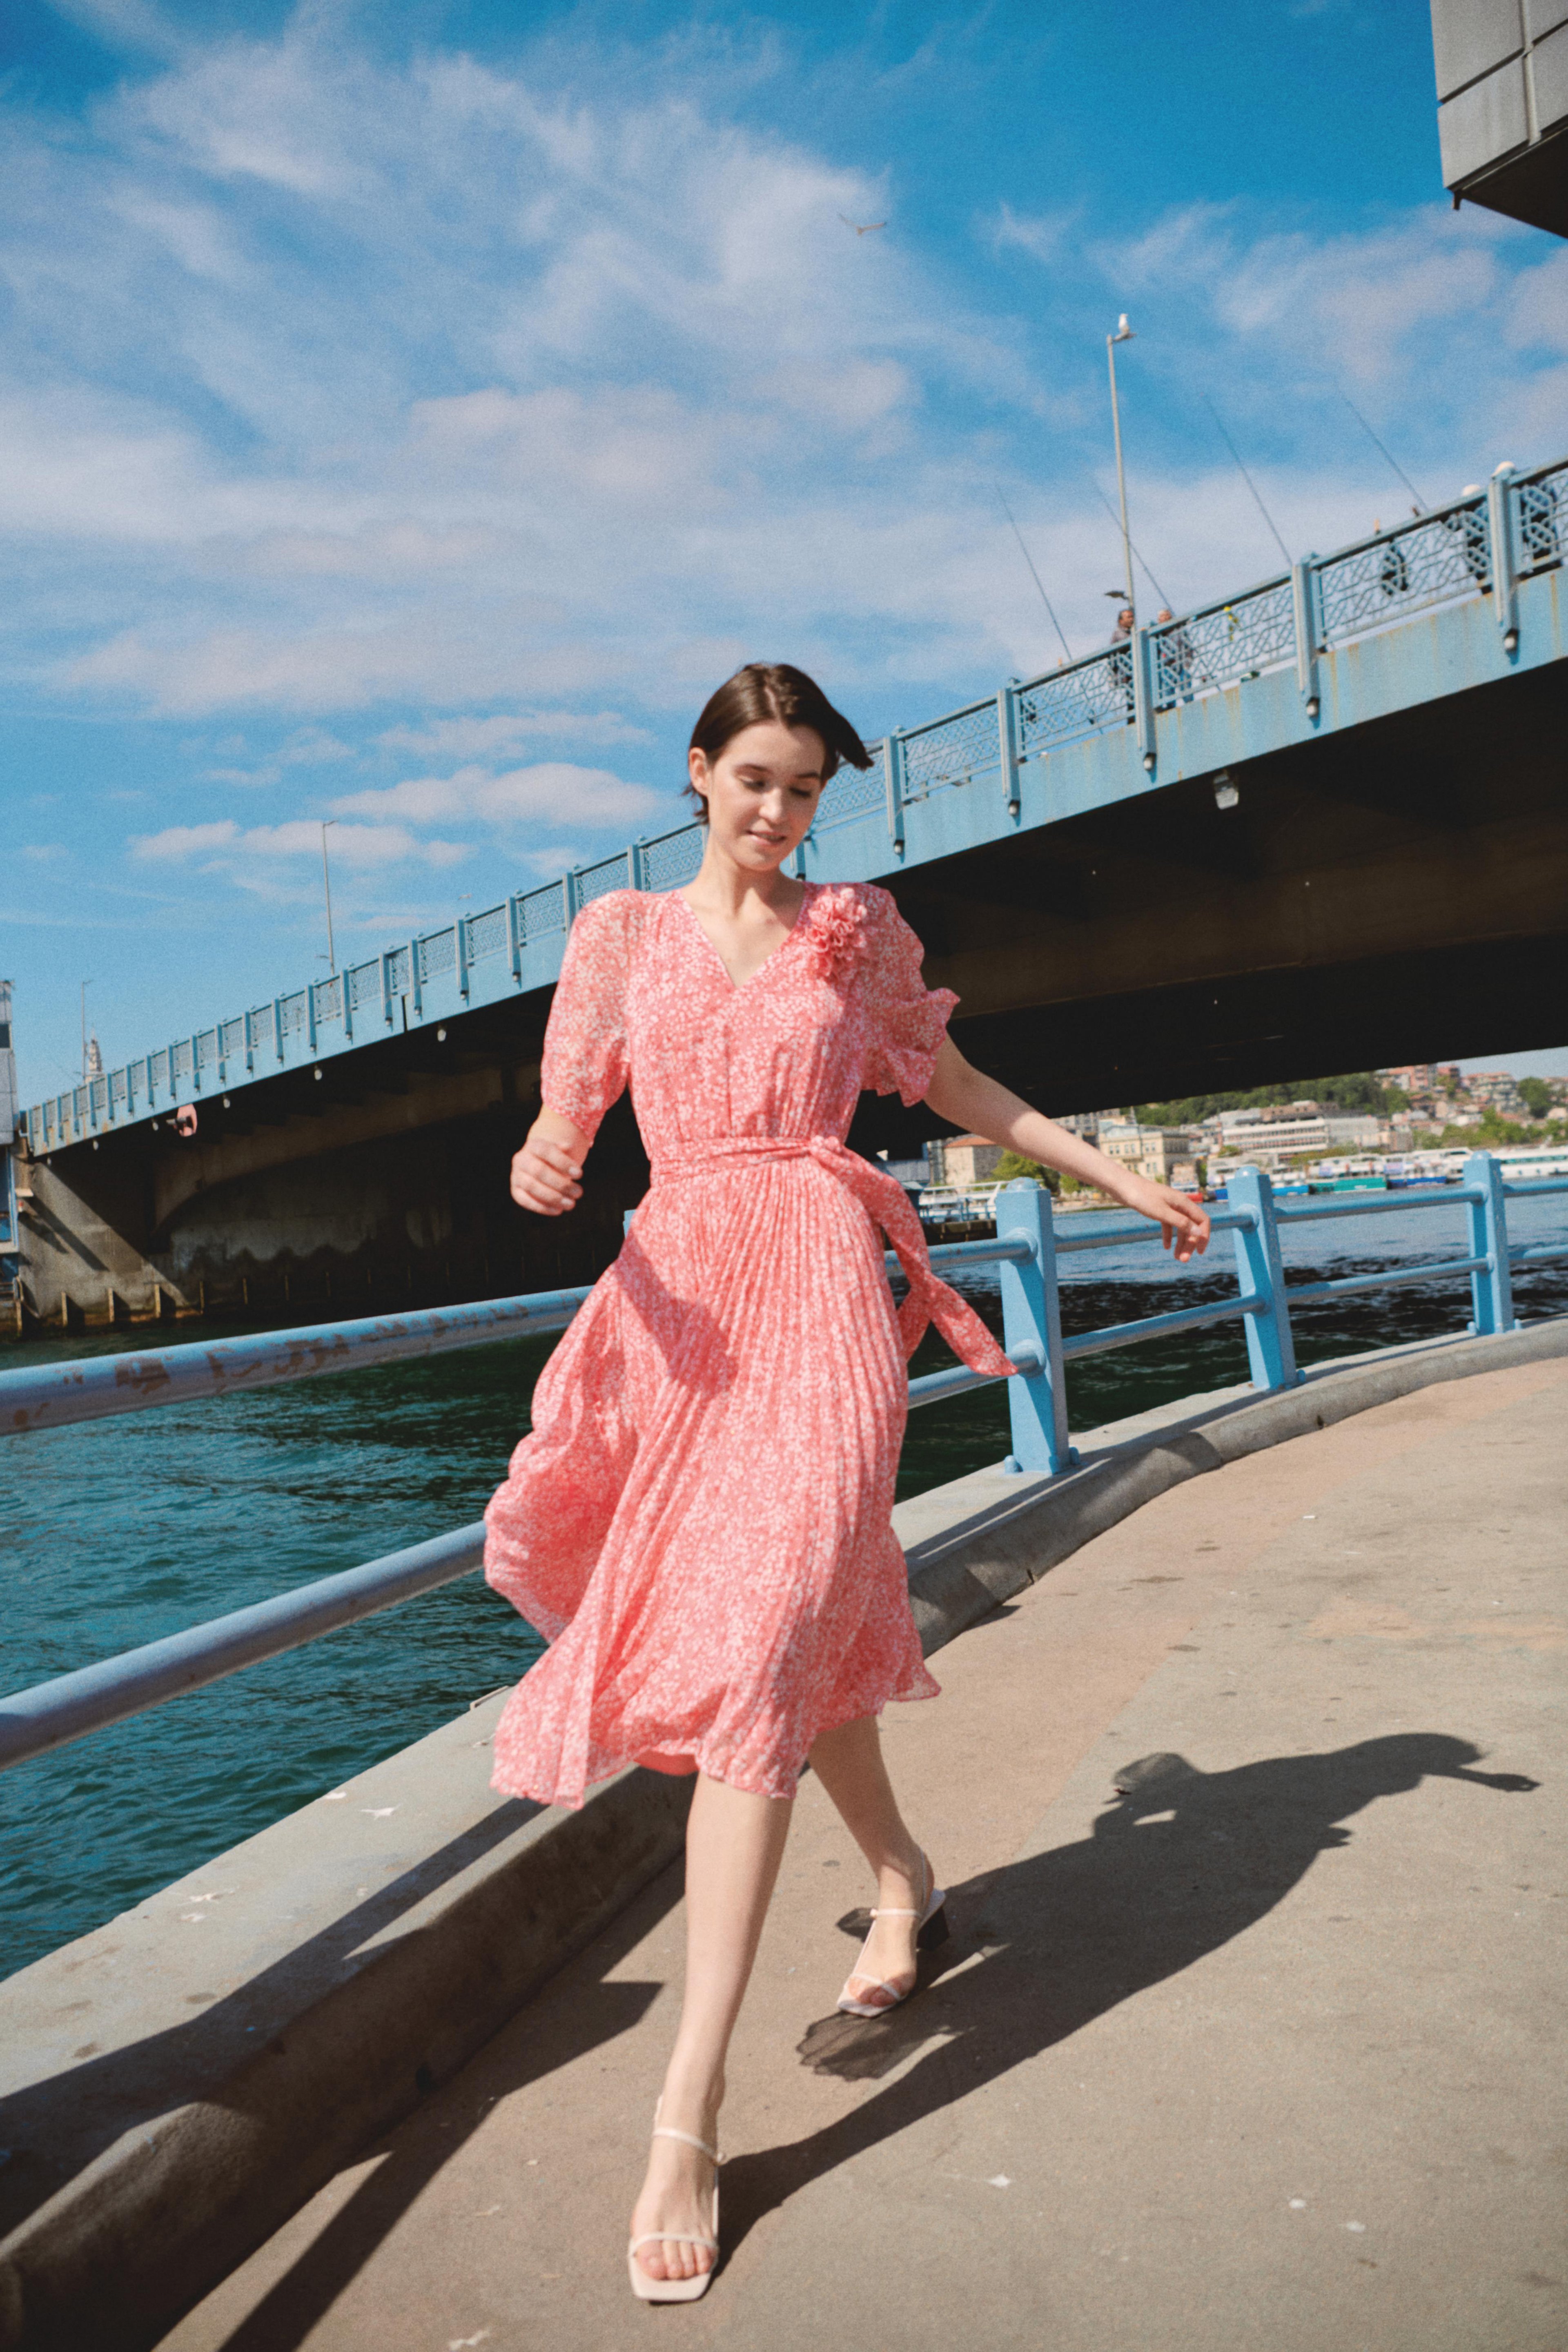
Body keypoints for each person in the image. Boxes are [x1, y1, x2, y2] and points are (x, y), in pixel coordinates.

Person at [483, 662, 1210, 2303]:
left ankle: (689, 2103)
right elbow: (563, 1118)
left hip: (819, 1298)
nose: (776, 811)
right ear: (694, 775)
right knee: (796, 1658)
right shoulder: (617, 939)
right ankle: (902, 1883)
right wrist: (541, 1161)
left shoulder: (854, 931)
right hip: (681, 1308)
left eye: (802, 788)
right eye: (752, 779)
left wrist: (1116, 1171)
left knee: (758, 1644)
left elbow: (955, 1088)